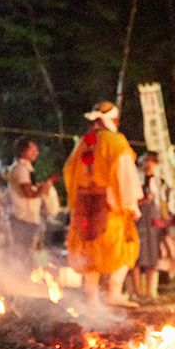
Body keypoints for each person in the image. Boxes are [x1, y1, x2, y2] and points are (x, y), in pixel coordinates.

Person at [64, 101, 142, 307]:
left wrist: (75, 201)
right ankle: (113, 293)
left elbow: (70, 171)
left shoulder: (85, 141)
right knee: (126, 247)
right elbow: (124, 174)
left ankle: (91, 299)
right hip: (109, 208)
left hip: (84, 207)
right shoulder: (115, 142)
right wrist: (131, 204)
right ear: (113, 120)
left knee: (90, 252)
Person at [6, 138, 56, 270]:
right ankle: (19, 282)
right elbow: (28, 193)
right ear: (24, 151)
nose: (37, 152)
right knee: (22, 255)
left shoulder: (24, 168)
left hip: (26, 218)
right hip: (22, 218)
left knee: (26, 253)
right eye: (33, 149)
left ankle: (22, 280)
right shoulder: (21, 169)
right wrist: (43, 188)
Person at [133, 151, 166, 302]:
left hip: (153, 221)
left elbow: (163, 203)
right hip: (138, 218)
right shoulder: (135, 179)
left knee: (153, 256)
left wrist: (164, 220)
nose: (149, 164)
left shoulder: (160, 182)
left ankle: (150, 292)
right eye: (148, 161)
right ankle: (137, 292)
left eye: (152, 162)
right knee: (137, 257)